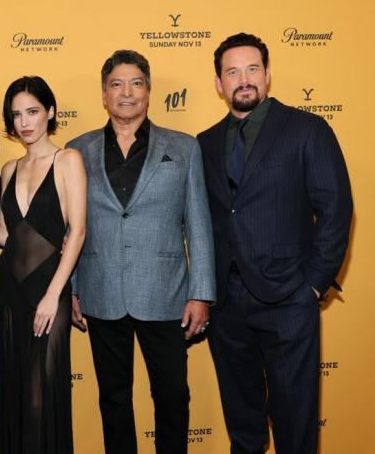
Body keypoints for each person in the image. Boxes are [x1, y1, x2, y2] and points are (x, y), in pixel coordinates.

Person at [197, 32, 352, 453]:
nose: (243, 79)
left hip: (288, 298)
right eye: (232, 72)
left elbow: (336, 209)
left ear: (267, 75)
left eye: (252, 69)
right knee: (243, 425)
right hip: (226, 306)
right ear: (218, 83)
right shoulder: (205, 143)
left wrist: (313, 285)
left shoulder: (306, 129)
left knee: (295, 424)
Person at [67, 50, 215, 454]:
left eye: (135, 83)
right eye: (116, 84)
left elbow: (199, 225)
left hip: (166, 294)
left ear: (149, 91)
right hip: (101, 291)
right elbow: (71, 227)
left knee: (172, 396)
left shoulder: (184, 148)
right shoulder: (77, 149)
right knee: (113, 398)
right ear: (104, 94)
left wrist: (200, 293)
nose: (126, 92)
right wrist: (72, 287)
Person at [0, 76, 86, 454]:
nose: (24, 122)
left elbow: (77, 232)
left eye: (32, 111)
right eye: (16, 115)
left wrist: (53, 295)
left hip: (49, 289)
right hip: (9, 289)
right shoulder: (9, 169)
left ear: (51, 112)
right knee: (13, 390)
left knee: (40, 394)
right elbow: (6, 232)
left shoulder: (67, 160)